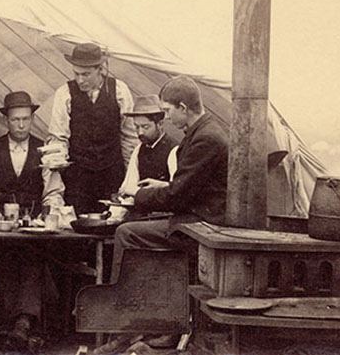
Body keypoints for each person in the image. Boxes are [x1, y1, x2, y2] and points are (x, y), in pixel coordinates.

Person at [0, 91, 64, 351]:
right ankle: (8, 323)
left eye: (25, 120)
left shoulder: (44, 149)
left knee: (34, 257)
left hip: (34, 227)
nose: (21, 126)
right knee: (3, 257)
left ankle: (22, 323)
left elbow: (54, 192)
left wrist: (48, 214)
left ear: (32, 119)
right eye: (15, 120)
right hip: (0, 226)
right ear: (6, 121)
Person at [111, 75, 228, 282]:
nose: (166, 117)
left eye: (167, 110)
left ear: (183, 107)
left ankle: (121, 299)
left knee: (126, 232)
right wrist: (164, 185)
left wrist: (138, 194)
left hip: (201, 225)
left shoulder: (205, 139)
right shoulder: (203, 130)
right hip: (198, 218)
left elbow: (176, 197)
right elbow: (192, 186)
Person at [47, 42, 136, 214]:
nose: (80, 80)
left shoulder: (119, 91)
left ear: (100, 69)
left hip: (112, 174)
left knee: (111, 223)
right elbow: (58, 138)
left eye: (86, 74)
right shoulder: (64, 94)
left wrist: (130, 179)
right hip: (78, 178)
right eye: (76, 74)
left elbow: (130, 137)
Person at [117, 94, 178, 198]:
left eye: (145, 127)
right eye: (136, 127)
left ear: (159, 124)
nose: (140, 132)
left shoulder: (174, 150)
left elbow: (177, 191)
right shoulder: (138, 150)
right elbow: (129, 186)